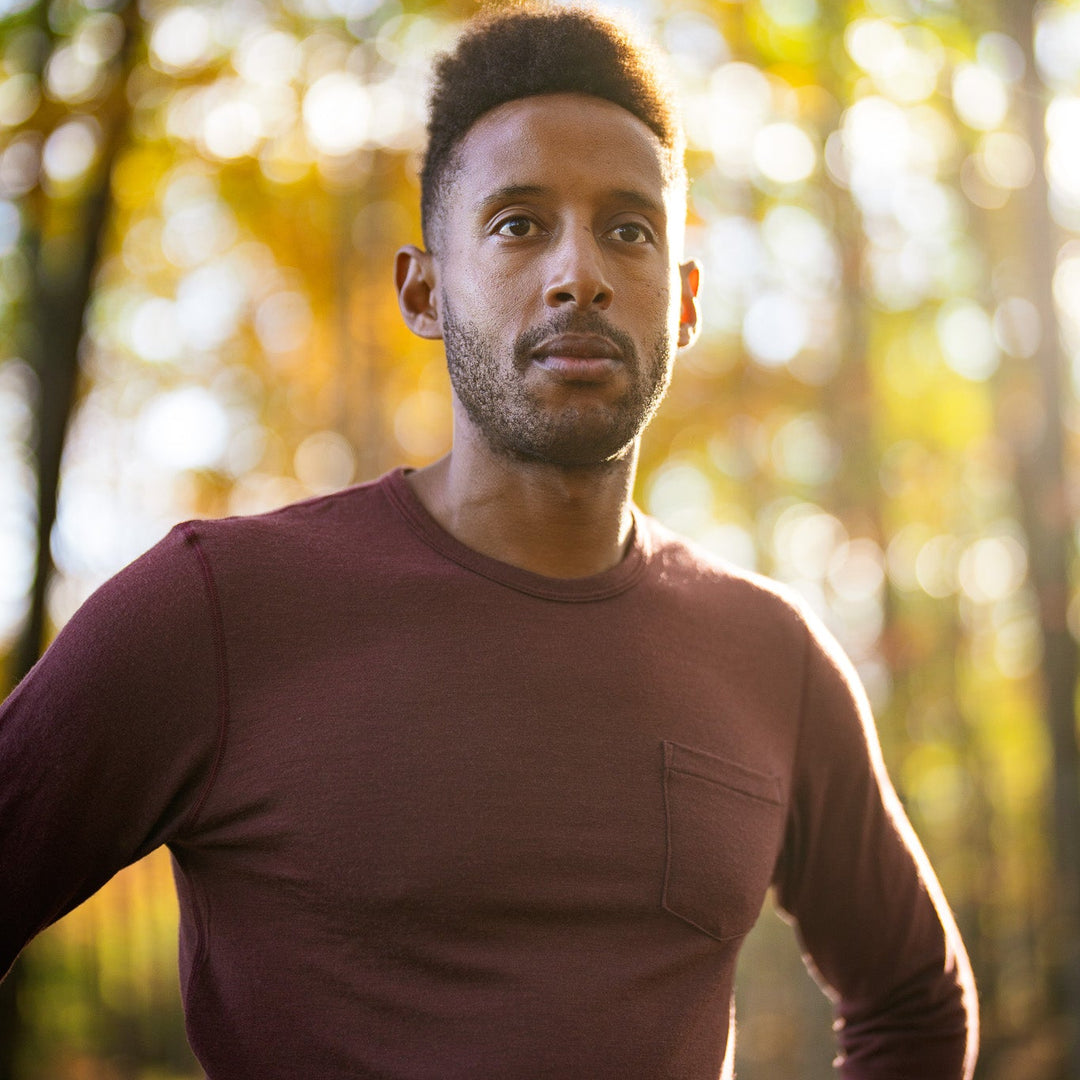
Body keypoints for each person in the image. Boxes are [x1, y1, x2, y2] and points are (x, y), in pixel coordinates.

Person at [1, 5, 978, 1078]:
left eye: (629, 228)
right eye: (518, 224)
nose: (579, 274)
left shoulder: (770, 656)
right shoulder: (218, 608)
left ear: (684, 299)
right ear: (424, 290)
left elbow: (913, 1004)